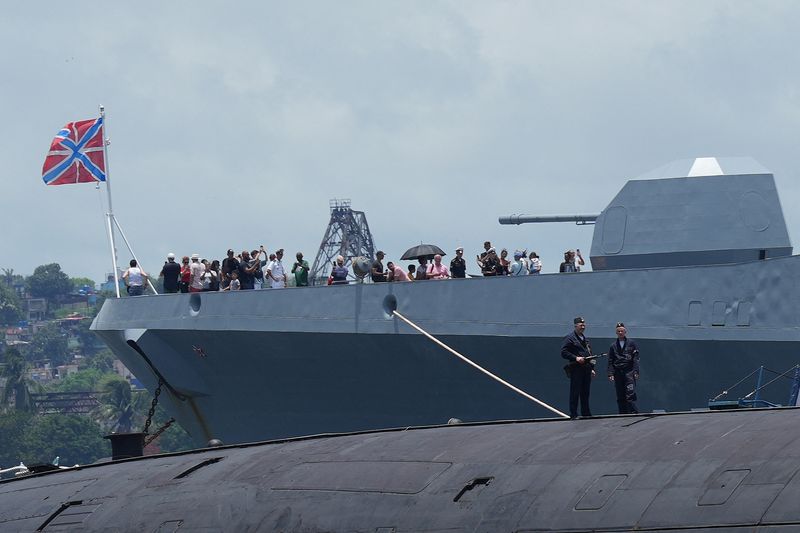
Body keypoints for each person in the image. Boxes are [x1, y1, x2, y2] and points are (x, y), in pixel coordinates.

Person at [560, 316, 595, 419]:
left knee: (585, 392)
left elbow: (590, 354)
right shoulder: (570, 338)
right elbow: (563, 352)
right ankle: (573, 413)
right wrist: (576, 358)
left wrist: (592, 368)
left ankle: (586, 413)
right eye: (580, 325)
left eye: (584, 325)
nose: (583, 327)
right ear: (575, 326)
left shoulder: (586, 340)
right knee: (575, 392)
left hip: (586, 369)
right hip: (576, 369)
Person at [607, 322, 640, 414]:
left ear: (625, 331)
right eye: (618, 331)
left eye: (622, 331)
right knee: (620, 394)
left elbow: (635, 359)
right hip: (618, 372)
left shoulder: (632, 343)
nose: (620, 333)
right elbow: (610, 360)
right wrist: (610, 373)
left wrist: (636, 371)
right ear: (616, 333)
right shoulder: (613, 346)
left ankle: (633, 412)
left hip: (629, 372)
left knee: (630, 394)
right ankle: (622, 414)